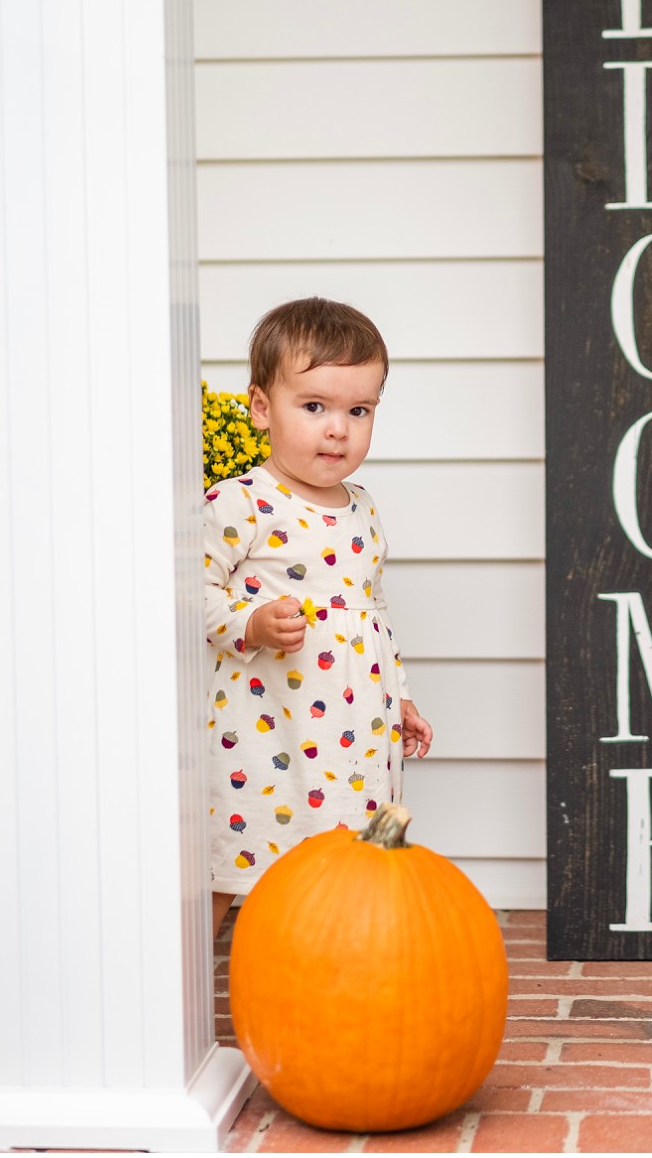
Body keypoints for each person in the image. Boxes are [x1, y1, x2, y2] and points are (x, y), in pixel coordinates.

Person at [202, 297, 433, 941]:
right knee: (235, 860)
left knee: (347, 862)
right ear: (259, 407)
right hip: (269, 727)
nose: (338, 429)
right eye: (314, 407)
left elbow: (372, 609)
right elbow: (187, 592)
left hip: (356, 732)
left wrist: (402, 697)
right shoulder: (241, 502)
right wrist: (248, 623)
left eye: (358, 411)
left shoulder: (361, 507)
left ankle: (334, 975)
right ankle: (174, 987)